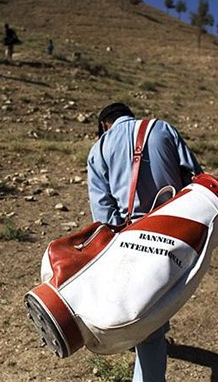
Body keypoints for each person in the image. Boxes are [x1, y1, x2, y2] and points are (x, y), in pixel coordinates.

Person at [87, 103, 203, 382]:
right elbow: (196, 180)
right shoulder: (163, 129)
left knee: (147, 321)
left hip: (132, 239)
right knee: (155, 310)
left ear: (105, 124)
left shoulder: (99, 149)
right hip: (177, 233)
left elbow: (103, 213)